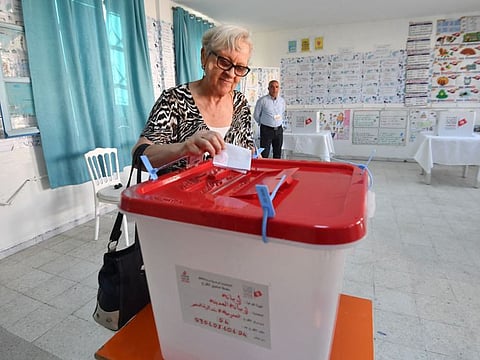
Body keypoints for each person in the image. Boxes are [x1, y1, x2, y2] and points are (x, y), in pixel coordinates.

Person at [132, 25, 255, 172]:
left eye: (240, 68)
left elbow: (248, 146)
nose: (231, 74)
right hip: (179, 194)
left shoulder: (240, 103)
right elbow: (138, 158)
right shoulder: (174, 100)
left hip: (229, 193)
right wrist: (183, 148)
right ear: (204, 56)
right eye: (224, 62)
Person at [253, 80, 286, 159]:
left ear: (279, 89)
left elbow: (282, 112)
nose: (274, 89)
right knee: (264, 153)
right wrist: (265, 123)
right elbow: (256, 115)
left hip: (279, 130)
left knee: (277, 153)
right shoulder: (262, 101)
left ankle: (277, 169)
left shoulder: (282, 101)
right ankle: (263, 169)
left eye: (276, 87)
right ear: (268, 88)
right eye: (272, 87)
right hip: (266, 130)